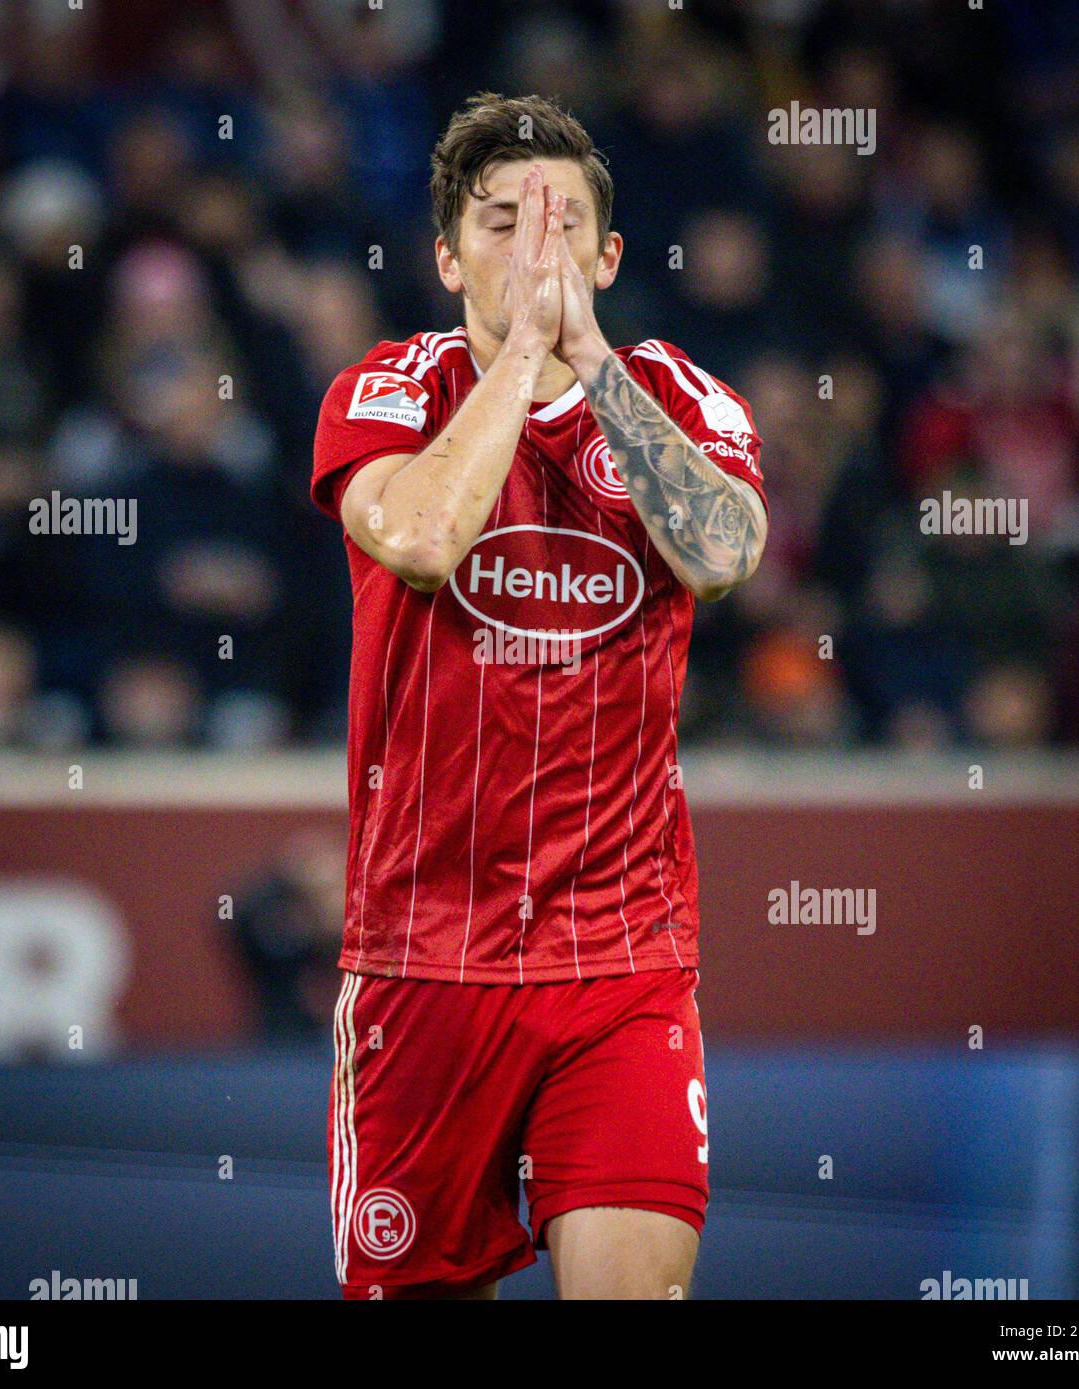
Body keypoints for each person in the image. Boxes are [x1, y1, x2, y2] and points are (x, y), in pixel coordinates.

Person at [311, 92, 769, 1300]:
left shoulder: (681, 398)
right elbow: (416, 536)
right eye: (502, 224)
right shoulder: (384, 392)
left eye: (560, 230)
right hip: (423, 957)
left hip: (621, 955)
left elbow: (723, 558)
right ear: (446, 256)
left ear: (609, 258)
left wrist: (591, 366)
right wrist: (521, 353)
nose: (533, 253)